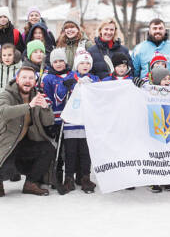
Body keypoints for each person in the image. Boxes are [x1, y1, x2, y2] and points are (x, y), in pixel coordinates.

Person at [0, 66, 55, 197]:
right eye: (24, 77)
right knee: (7, 170)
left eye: (31, 78)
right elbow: (4, 112)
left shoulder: (36, 95)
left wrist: (46, 108)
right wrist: (29, 106)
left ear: (35, 82)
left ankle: (31, 183)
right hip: (5, 144)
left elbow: (48, 122)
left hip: (23, 144)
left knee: (48, 149)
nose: (27, 81)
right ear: (17, 80)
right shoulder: (6, 94)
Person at [56, 48, 100, 193]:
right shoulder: (70, 77)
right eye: (82, 63)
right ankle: (68, 177)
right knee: (70, 151)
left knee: (85, 151)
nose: (85, 65)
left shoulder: (94, 79)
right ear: (77, 65)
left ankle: (84, 177)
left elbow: (100, 97)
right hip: (71, 121)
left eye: (88, 63)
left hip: (87, 122)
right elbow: (59, 97)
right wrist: (65, 86)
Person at [134, 67, 170, 193]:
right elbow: (135, 91)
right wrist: (135, 82)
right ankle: (153, 180)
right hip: (152, 123)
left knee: (166, 152)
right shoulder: (147, 89)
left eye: (169, 78)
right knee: (153, 153)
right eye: (164, 79)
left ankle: (165, 178)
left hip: (166, 123)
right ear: (157, 80)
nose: (167, 81)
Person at [42, 48, 72, 186]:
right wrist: (49, 120)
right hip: (56, 119)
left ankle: (70, 176)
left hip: (70, 119)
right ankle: (56, 174)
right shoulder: (48, 78)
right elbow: (50, 98)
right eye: (55, 61)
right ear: (51, 63)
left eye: (61, 61)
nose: (59, 64)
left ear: (65, 62)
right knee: (58, 150)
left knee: (70, 149)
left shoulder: (72, 75)